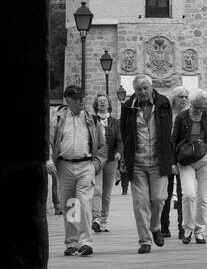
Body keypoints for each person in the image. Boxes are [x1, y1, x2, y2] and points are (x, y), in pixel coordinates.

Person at [119, 74, 174, 254]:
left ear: (151, 88)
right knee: (140, 203)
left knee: (159, 199)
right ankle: (145, 240)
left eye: (145, 88)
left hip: (159, 161)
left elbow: (168, 133)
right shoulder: (128, 107)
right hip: (138, 162)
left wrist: (171, 159)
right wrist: (124, 160)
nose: (142, 92)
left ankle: (155, 226)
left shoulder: (164, 103)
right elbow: (124, 134)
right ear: (134, 91)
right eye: (138, 89)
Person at [50, 85, 107, 257]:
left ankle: (85, 242)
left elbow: (103, 146)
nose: (81, 101)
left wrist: (95, 165)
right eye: (77, 98)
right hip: (64, 166)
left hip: (85, 165)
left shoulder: (92, 119)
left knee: (83, 202)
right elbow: (49, 141)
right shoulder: (58, 119)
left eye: (82, 98)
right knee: (70, 205)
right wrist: (48, 160)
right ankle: (72, 242)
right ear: (67, 100)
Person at [172, 88, 207, 244]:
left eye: (201, 107)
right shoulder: (182, 117)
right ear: (191, 104)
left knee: (203, 197)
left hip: (205, 159)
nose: (198, 110)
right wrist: (173, 162)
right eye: (196, 107)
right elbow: (174, 139)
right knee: (188, 195)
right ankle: (187, 228)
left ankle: (200, 230)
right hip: (186, 160)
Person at [160, 87, 189, 240]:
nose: (183, 99)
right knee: (166, 194)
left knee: (183, 194)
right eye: (180, 96)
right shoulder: (167, 116)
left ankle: (182, 228)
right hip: (167, 157)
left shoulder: (188, 115)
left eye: (185, 96)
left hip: (183, 158)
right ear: (174, 99)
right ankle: (164, 226)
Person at [91, 94, 122, 232]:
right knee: (96, 189)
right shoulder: (91, 120)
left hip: (110, 160)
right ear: (96, 105)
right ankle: (96, 218)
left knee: (107, 192)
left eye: (104, 101)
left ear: (109, 104)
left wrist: (119, 152)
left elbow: (120, 141)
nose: (102, 103)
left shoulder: (115, 122)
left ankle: (103, 220)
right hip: (96, 159)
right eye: (100, 102)